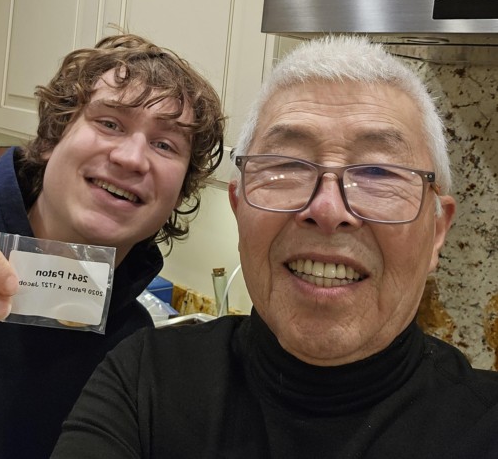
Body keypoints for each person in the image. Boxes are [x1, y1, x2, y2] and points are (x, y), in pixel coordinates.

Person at [51, 35, 498, 459]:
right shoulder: (144, 381)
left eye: (378, 173)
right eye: (288, 165)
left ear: (437, 230)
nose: (327, 209)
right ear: (238, 207)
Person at [0, 33, 224, 459]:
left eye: (164, 144)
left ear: (179, 193)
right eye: (110, 123)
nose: (131, 158)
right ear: (51, 139)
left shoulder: (138, 351)